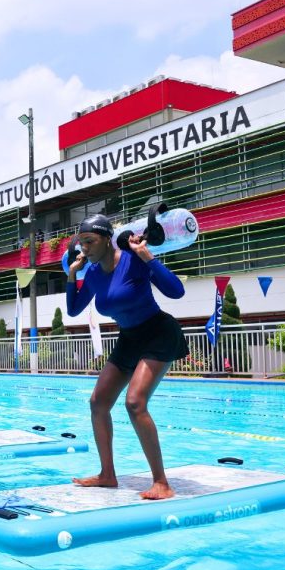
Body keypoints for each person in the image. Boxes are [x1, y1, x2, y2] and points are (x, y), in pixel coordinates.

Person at [66, 213, 188, 501]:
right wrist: (73, 275)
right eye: (81, 243)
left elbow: (177, 291)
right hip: (129, 339)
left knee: (135, 403)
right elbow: (73, 310)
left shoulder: (133, 260)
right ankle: (107, 474)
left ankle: (162, 482)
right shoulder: (93, 274)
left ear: (108, 239)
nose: (85, 249)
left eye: (90, 242)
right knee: (98, 403)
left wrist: (147, 256)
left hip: (158, 333)